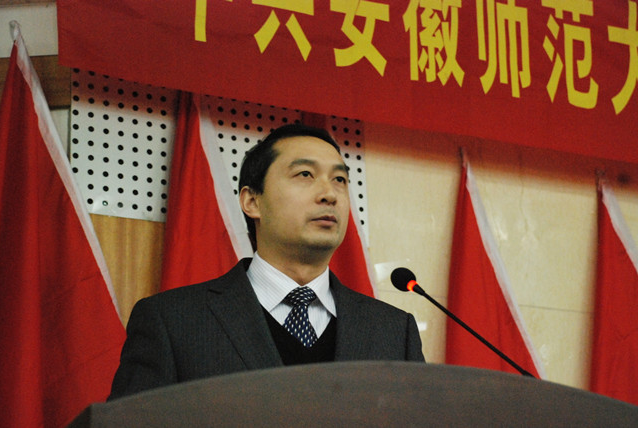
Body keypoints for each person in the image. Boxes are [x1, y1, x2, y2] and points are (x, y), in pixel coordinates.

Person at [108, 123, 424, 400]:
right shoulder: (173, 322)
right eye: (305, 174)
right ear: (252, 201)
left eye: (339, 179)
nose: (330, 194)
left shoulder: (394, 333)